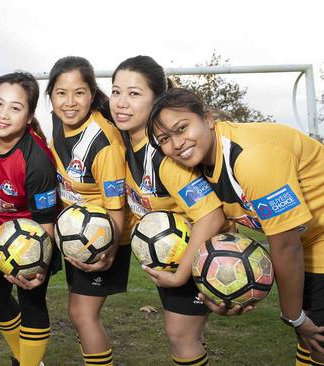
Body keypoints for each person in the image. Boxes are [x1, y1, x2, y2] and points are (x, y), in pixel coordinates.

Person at [148, 87, 324, 366]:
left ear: (207, 118)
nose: (177, 143)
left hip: (313, 241)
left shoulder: (252, 158)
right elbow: (227, 237)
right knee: (311, 339)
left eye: (182, 128)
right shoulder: (197, 166)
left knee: (316, 340)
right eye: (165, 139)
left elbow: (286, 246)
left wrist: (292, 316)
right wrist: (224, 289)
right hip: (308, 240)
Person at [111, 56, 227, 366]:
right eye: (116, 91)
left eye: (134, 94)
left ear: (157, 101)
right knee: (180, 338)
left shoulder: (164, 157)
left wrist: (181, 275)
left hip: (194, 257)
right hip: (171, 257)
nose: (121, 102)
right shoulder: (126, 143)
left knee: (181, 337)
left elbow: (212, 216)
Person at [44, 56, 127, 366]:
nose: (69, 102)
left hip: (105, 238)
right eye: (61, 92)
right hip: (76, 234)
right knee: (77, 314)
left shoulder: (104, 144)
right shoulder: (56, 121)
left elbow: (116, 207)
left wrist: (109, 252)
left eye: (79, 92)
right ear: (50, 95)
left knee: (82, 315)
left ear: (92, 94)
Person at [0, 71, 57, 366]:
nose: (2, 115)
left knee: (32, 300)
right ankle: (24, 358)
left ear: (28, 116)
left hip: (33, 237)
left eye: (15, 108)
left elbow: (46, 223)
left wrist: (41, 265)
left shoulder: (36, 159)